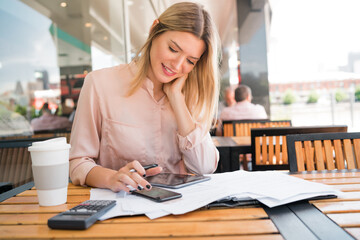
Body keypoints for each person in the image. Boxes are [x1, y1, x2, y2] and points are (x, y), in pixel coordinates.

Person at [69, 2, 220, 193]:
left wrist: (176, 99)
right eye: (173, 49)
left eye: (190, 61)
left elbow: (204, 167)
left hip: (178, 209)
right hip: (122, 210)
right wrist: (111, 178)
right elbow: (78, 163)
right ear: (154, 30)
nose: (178, 65)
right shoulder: (99, 84)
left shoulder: (190, 94)